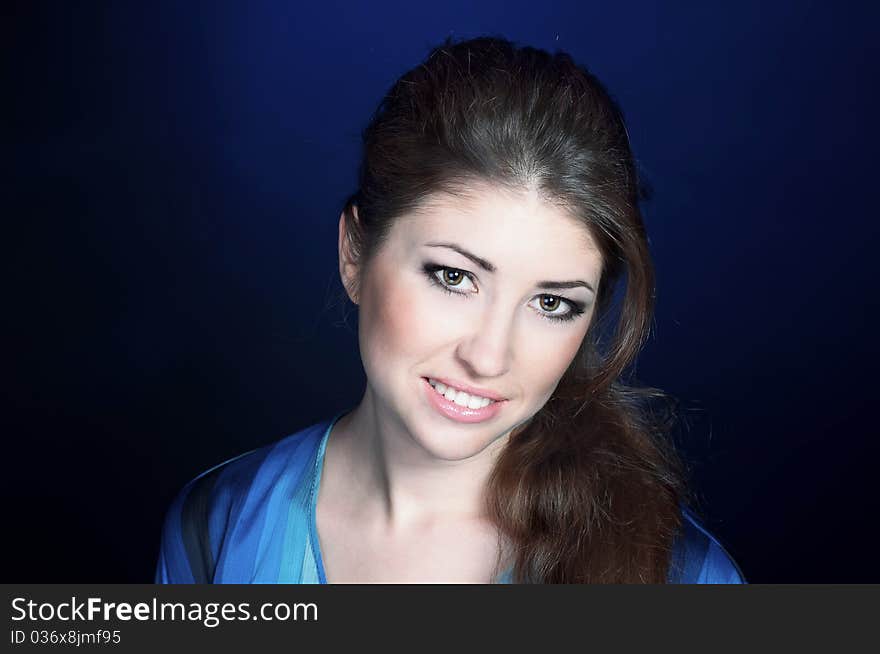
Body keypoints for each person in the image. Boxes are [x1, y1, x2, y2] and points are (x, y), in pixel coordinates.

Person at [155, 36, 746, 584]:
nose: (489, 357)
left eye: (551, 302)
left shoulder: (680, 577)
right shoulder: (217, 526)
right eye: (455, 277)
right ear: (355, 253)